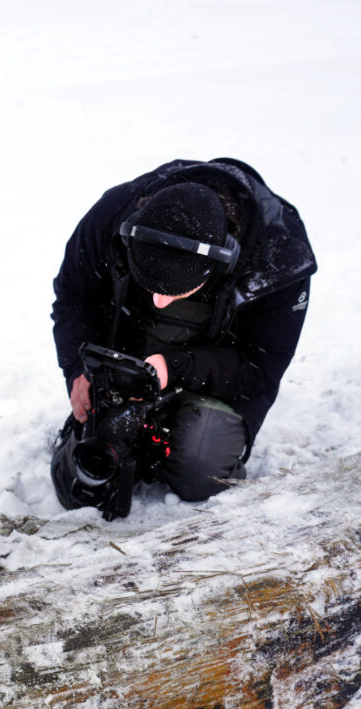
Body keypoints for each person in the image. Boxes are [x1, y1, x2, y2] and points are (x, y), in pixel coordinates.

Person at [49, 157, 317, 512]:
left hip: (216, 377)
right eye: (150, 287)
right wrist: (78, 369)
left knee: (200, 471)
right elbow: (74, 297)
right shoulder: (113, 214)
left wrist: (174, 368)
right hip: (128, 361)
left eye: (174, 291)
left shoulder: (280, 259)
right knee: (79, 482)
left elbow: (260, 369)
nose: (159, 302)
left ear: (219, 262)